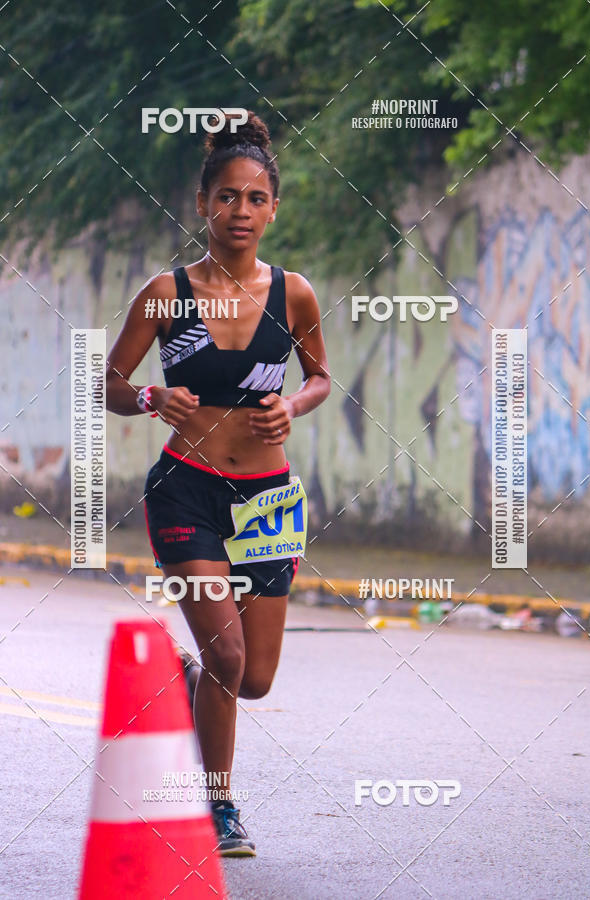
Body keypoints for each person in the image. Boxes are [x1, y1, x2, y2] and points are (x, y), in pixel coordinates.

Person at [105, 110, 330, 856]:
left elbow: (322, 376)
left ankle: (187, 677)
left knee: (254, 678)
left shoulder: (294, 293)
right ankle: (219, 805)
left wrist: (293, 404)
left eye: (255, 198)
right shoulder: (167, 292)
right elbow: (109, 380)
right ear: (203, 205)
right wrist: (149, 397)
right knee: (229, 659)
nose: (241, 211)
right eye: (226, 197)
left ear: (274, 207)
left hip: (267, 501)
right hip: (187, 490)